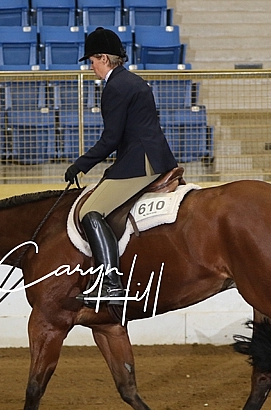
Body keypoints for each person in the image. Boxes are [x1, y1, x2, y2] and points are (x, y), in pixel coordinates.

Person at [65, 26, 177, 307]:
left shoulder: (115, 87)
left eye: (92, 61)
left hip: (140, 162)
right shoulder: (132, 81)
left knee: (90, 211)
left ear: (104, 58)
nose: (91, 67)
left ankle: (110, 282)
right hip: (151, 156)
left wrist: (80, 165)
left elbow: (111, 139)